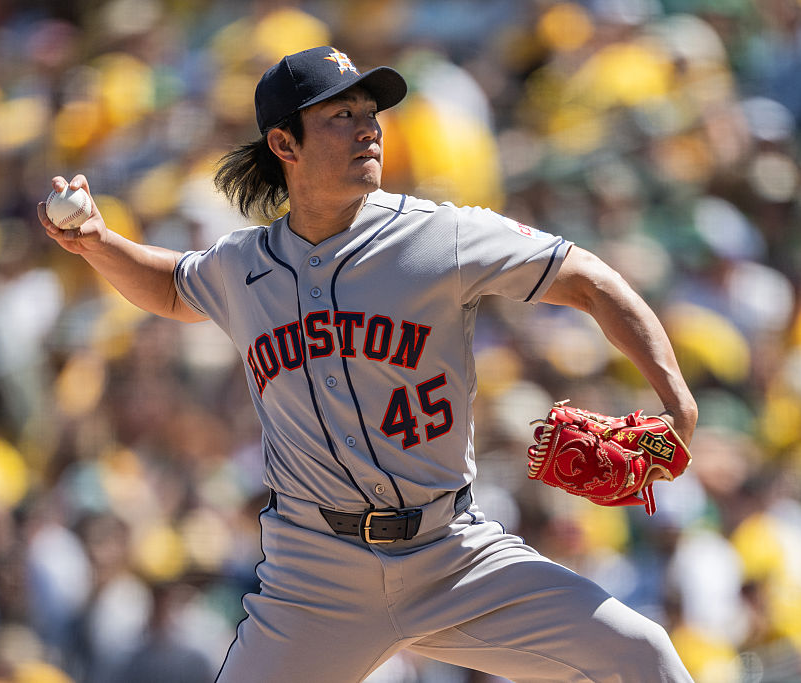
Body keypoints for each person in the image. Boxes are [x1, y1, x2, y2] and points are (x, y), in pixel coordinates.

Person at [38, 46, 698, 683]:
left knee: (642, 651)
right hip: (316, 578)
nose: (369, 130)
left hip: (452, 553)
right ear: (284, 144)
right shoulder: (244, 266)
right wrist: (98, 243)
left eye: (369, 112)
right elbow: (171, 286)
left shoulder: (441, 236)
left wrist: (677, 398)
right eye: (341, 116)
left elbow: (588, 278)